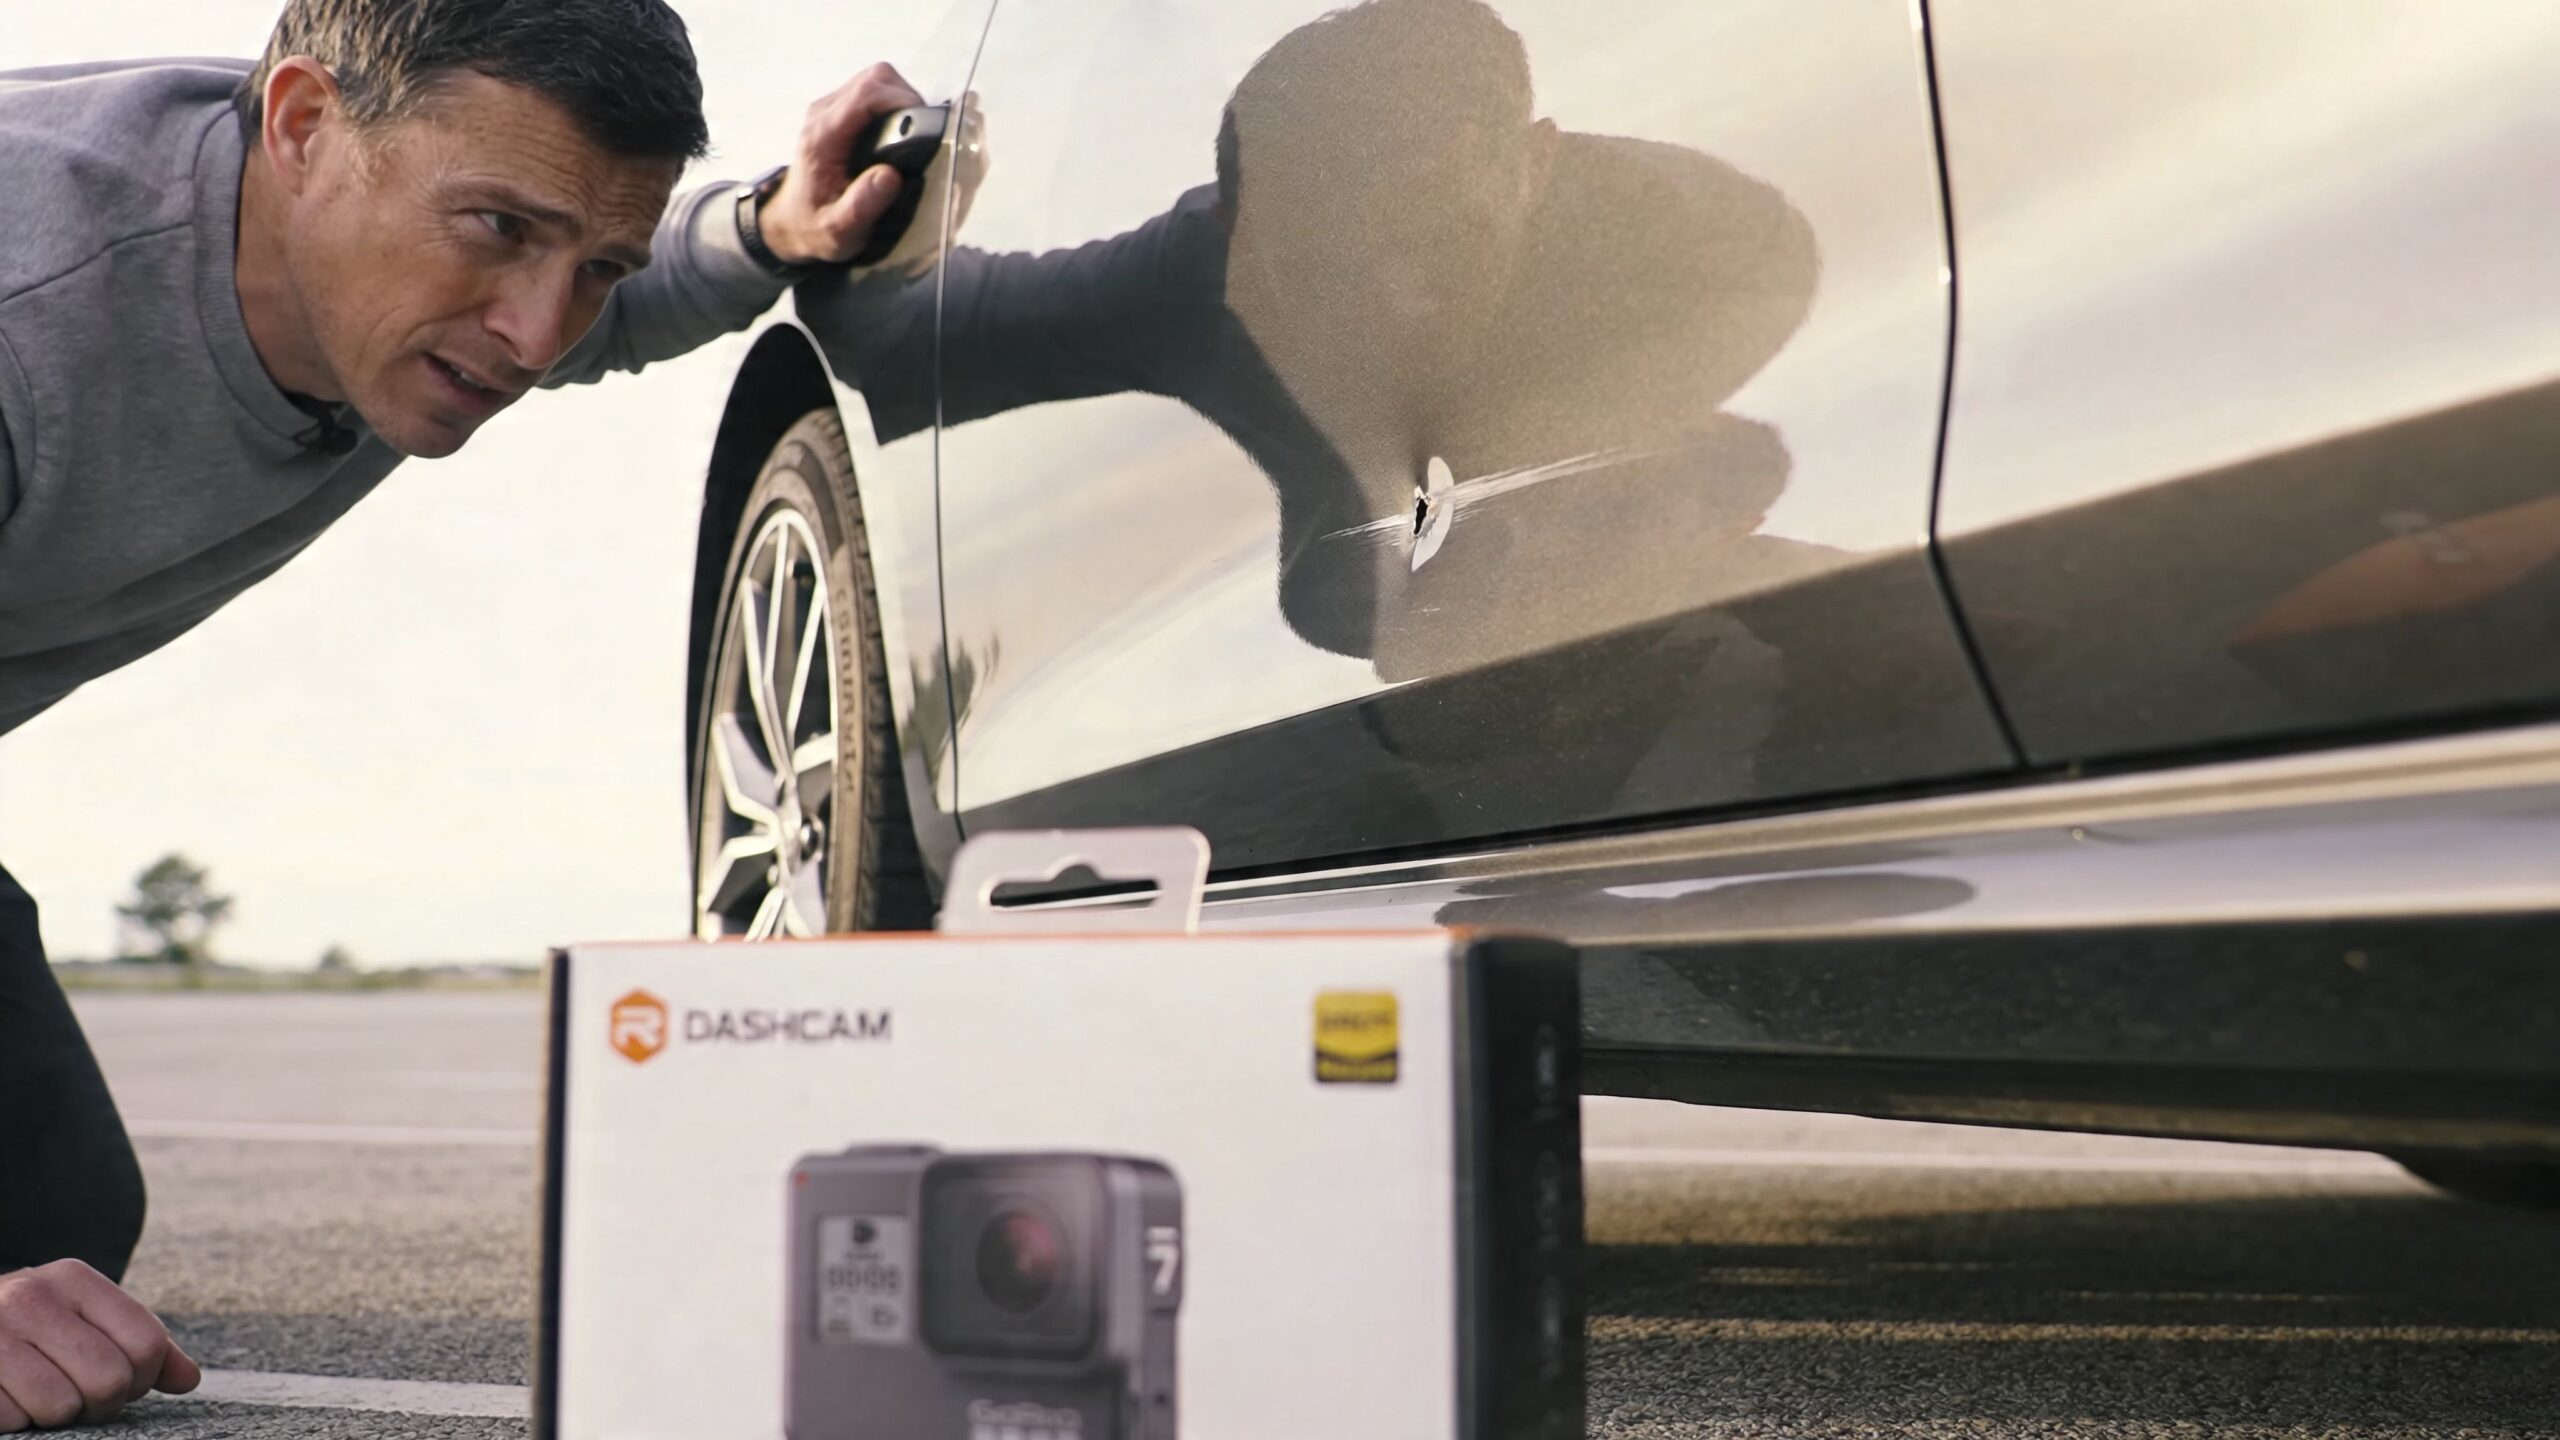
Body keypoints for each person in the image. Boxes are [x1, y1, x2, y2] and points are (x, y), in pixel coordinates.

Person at [0, 0, 931, 1428]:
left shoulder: (388, 279)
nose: (537, 333)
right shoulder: (30, 308)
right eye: (498, 231)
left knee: (52, 1217)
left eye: (596, 266)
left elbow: (591, 288)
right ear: (306, 125)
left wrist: (767, 230)